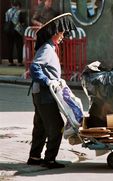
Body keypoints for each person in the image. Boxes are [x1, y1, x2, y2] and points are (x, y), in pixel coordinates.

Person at [27, 13, 77, 169]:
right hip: (44, 94)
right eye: (61, 33)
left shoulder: (49, 48)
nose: (63, 36)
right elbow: (35, 67)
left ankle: (34, 157)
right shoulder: (47, 49)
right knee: (56, 126)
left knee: (41, 126)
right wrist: (48, 81)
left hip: (40, 94)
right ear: (55, 33)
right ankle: (49, 160)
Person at [4, 0, 24, 66]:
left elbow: (6, 20)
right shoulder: (19, 12)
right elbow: (22, 22)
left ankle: (10, 62)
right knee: (19, 46)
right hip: (17, 31)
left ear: (12, 5)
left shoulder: (7, 12)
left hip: (9, 31)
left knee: (10, 46)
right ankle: (19, 62)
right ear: (18, 5)